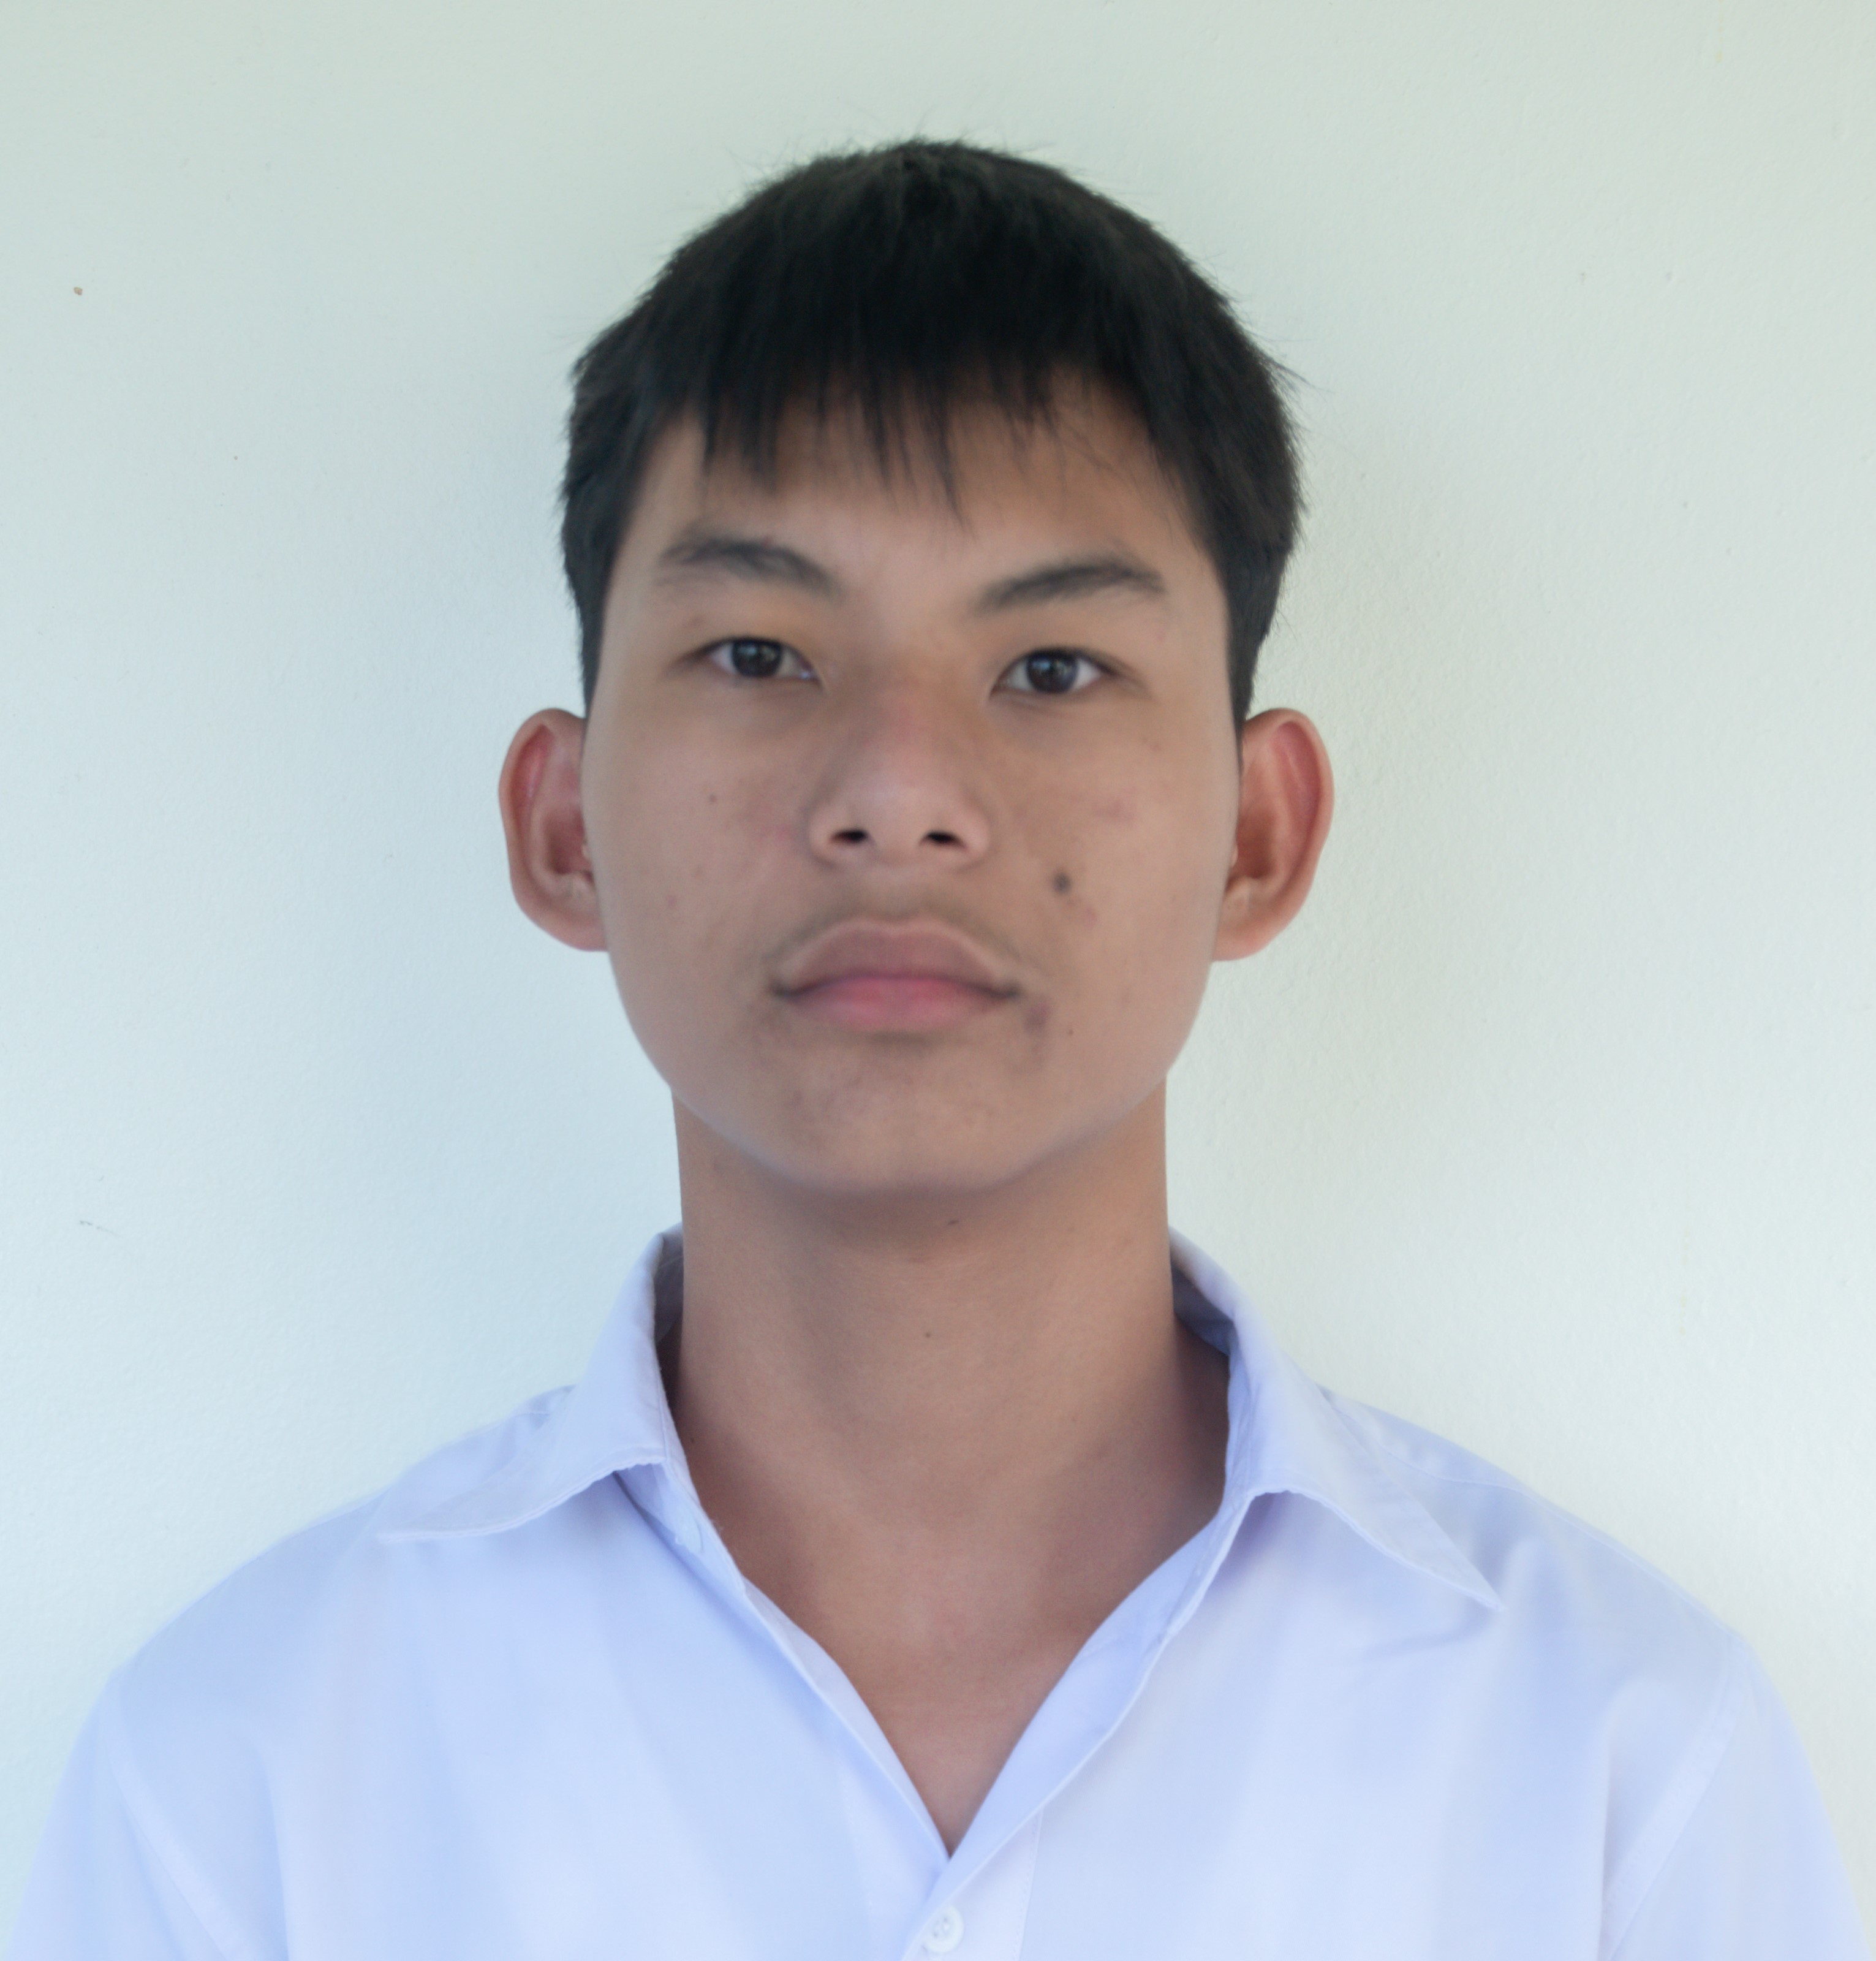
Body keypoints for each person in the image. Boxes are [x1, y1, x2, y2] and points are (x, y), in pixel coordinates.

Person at [9, 140, 1866, 1961]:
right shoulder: (239, 1793)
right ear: (564, 825)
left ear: (1257, 833)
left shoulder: (1621, 1771)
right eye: (759, 653)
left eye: (1051, 668)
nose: (898, 794)